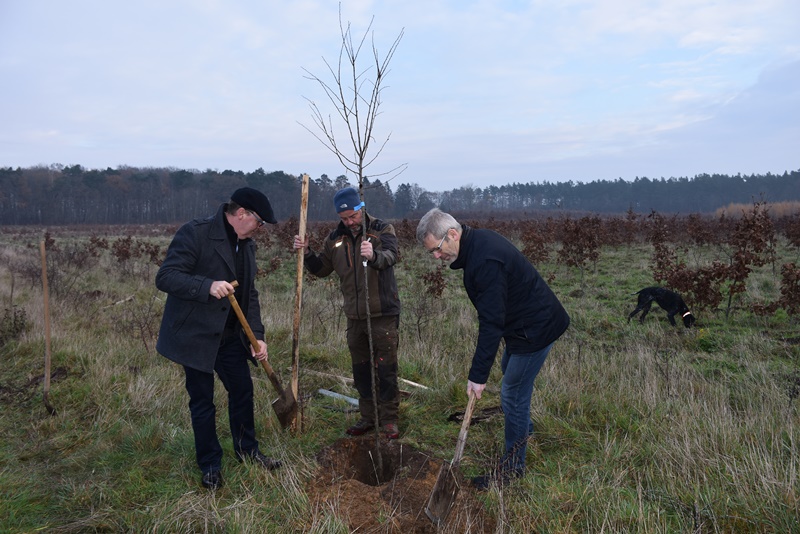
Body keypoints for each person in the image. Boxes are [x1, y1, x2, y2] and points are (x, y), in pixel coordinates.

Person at [416, 208, 570, 490]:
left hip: (536, 328)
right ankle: (524, 429)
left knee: (512, 393)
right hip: (523, 325)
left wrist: (477, 376)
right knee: (509, 374)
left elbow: (491, 322)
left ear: (452, 234)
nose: (437, 257)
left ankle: (511, 472)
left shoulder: (484, 260)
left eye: (437, 249)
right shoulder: (476, 243)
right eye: (431, 253)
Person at [156, 187, 282, 490]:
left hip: (229, 337)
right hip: (195, 336)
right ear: (241, 214)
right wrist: (207, 285)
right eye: (259, 223)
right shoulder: (196, 234)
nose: (260, 230)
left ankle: (247, 452)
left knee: (242, 392)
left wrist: (258, 337)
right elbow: (166, 276)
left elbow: (249, 295)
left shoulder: (246, 245)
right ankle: (210, 464)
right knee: (202, 402)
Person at [293, 187, 402, 439]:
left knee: (386, 369)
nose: (349, 222)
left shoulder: (382, 230)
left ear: (361, 208)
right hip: (354, 317)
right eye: (344, 218)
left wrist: (373, 255)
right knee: (361, 370)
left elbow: (391, 256)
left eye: (352, 216)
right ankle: (368, 416)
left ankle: (388, 420)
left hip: (382, 313)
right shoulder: (334, 239)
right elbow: (321, 270)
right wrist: (307, 253)